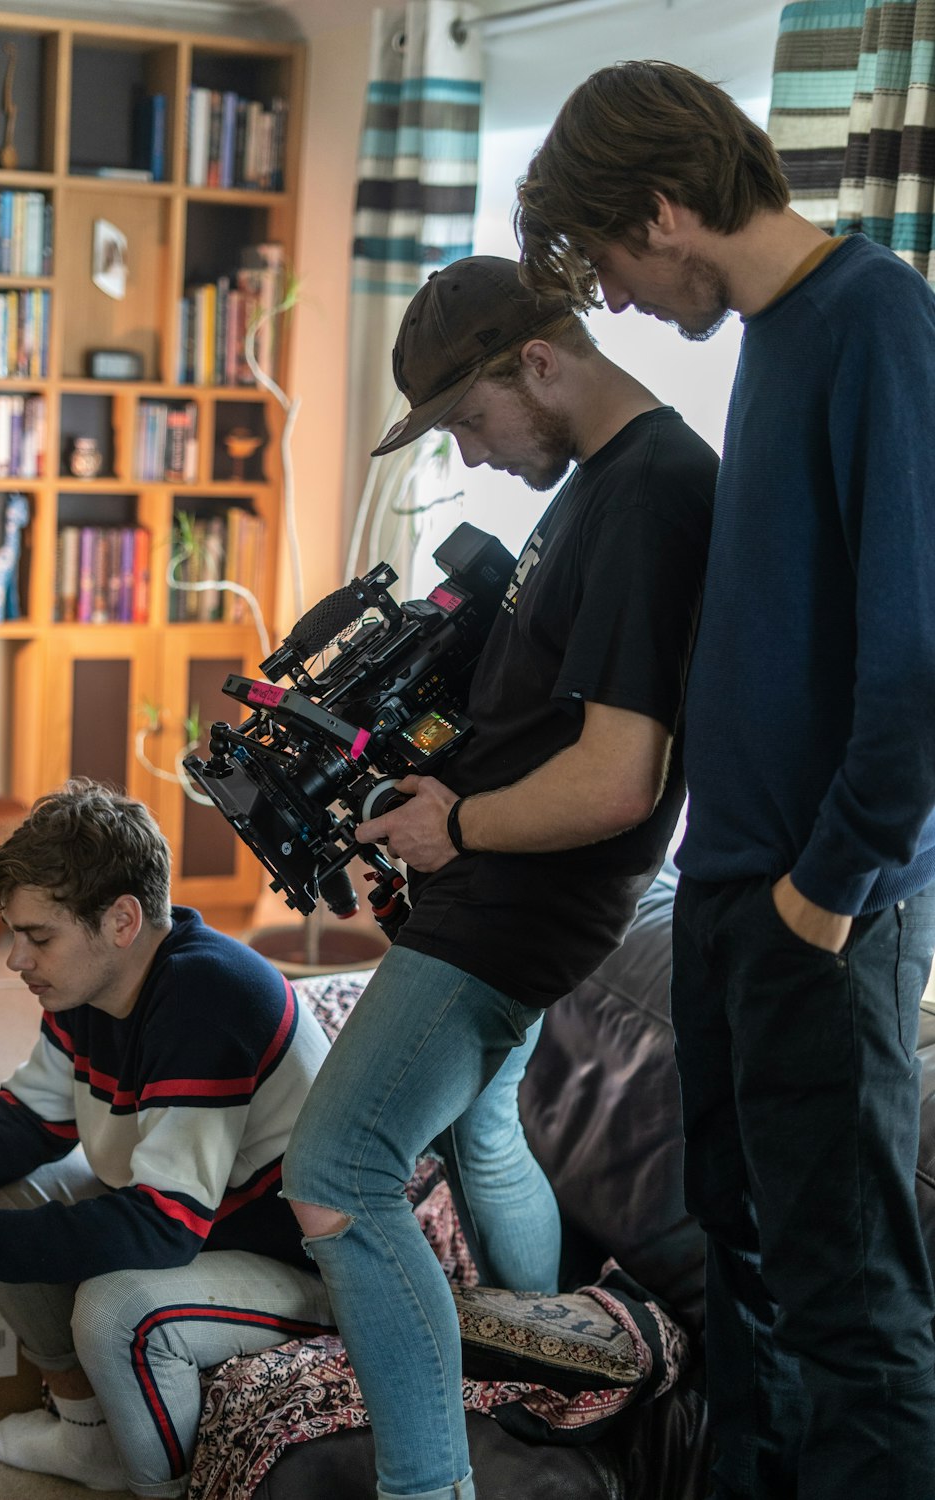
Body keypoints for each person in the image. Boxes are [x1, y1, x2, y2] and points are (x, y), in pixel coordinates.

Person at [515, 59, 935, 1500]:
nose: (620, 301)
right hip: (734, 889)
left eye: (616, 260)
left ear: (670, 206)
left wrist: (826, 894)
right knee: (743, 1290)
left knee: (852, 1317)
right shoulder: (775, 335)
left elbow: (920, 660)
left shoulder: (874, 316)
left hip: (822, 906)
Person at [281, 253, 716, 1500]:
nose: (470, 455)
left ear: (539, 360)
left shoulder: (650, 495)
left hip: (521, 902)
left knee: (338, 1171)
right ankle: (544, 1374)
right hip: (508, 888)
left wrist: (458, 827)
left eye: (471, 420)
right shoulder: (599, 485)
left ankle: (432, 1487)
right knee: (481, 1128)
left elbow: (623, 778)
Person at [0, 779, 332, 1496]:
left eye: (38, 936)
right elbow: (21, 1124)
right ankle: (92, 1438)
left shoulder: (205, 999)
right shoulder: (89, 985)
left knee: (116, 1311)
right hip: (206, 1220)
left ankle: (166, 1487)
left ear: (121, 919)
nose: (15, 961)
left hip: (298, 1263)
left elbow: (163, 1228)